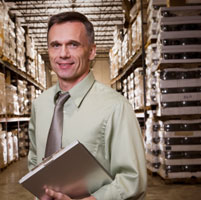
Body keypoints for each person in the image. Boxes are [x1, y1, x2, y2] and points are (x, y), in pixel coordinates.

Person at [28, 11, 147, 200]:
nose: (63, 54)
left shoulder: (116, 107)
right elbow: (35, 159)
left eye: (73, 45)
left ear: (91, 51)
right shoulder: (40, 105)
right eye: (55, 45)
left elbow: (133, 180)